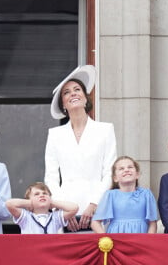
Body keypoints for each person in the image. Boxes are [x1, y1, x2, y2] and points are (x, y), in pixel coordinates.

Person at [44, 65, 117, 232]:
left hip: (98, 207)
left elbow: (109, 172)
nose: (73, 94)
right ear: (63, 104)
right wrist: (62, 210)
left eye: (77, 89)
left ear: (86, 98)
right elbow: (51, 177)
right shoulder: (55, 134)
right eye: (67, 92)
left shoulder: (105, 129)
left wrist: (94, 204)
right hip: (67, 206)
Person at [91, 156, 158, 234]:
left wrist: (148, 242)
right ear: (115, 178)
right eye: (121, 169)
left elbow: (153, 223)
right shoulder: (110, 195)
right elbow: (95, 223)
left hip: (141, 239)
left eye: (130, 167)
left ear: (137, 174)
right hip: (116, 239)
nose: (126, 170)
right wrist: (106, 239)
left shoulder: (146, 194)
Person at [6, 182, 78, 234]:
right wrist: (30, 203)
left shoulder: (55, 217)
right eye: (36, 194)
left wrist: (52, 203)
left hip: (50, 253)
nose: (41, 195)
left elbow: (74, 208)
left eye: (45, 193)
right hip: (31, 253)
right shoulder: (26, 217)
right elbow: (9, 204)